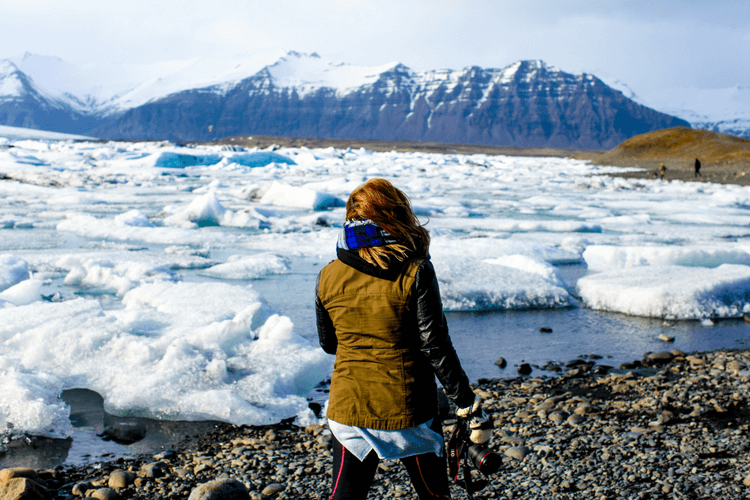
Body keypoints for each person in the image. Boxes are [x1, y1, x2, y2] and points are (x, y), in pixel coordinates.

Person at [316, 178, 490, 500]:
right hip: (408, 409)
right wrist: (466, 403)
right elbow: (434, 345)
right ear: (395, 216)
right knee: (434, 496)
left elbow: (330, 344)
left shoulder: (328, 274)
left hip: (349, 406)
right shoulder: (416, 270)